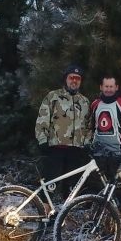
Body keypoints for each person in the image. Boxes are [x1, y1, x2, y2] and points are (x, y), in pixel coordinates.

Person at [35, 64, 91, 199]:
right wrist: (42, 140)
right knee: (50, 186)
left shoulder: (85, 101)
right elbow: (42, 119)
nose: (74, 81)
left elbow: (89, 126)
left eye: (78, 78)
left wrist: (87, 143)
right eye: (71, 77)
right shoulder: (53, 96)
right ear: (66, 79)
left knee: (72, 189)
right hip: (55, 148)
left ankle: (66, 217)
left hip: (76, 150)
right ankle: (45, 216)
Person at [89, 74, 121, 158]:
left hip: (117, 153)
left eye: (111, 86)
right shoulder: (94, 104)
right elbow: (89, 127)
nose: (108, 89)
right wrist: (88, 146)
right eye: (106, 86)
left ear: (116, 87)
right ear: (101, 87)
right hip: (97, 153)